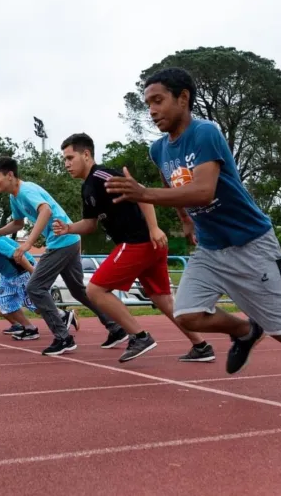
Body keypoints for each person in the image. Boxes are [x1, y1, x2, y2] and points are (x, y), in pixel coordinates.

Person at [104, 67, 281, 401]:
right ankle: (245, 330)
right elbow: (172, 181)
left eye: (158, 101)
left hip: (251, 244)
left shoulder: (205, 133)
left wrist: (142, 194)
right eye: (148, 103)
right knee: (187, 314)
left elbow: (203, 191)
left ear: (184, 98)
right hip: (210, 248)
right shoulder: (158, 149)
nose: (152, 110)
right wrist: (186, 221)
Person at [54, 132, 215, 364]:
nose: (66, 164)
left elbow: (142, 193)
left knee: (95, 290)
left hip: (138, 241)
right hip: (147, 245)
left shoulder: (103, 176)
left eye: (70, 158)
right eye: (64, 160)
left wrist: (154, 228)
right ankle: (201, 346)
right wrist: (69, 228)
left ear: (86, 155)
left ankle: (140, 337)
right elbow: (90, 224)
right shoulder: (87, 188)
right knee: (163, 301)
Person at [0, 156, 128, 357]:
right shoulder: (14, 197)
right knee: (78, 290)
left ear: (10, 175)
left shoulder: (26, 190)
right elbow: (18, 224)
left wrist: (28, 244)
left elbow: (45, 210)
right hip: (70, 240)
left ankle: (63, 337)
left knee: (34, 287)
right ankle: (116, 328)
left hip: (61, 241)